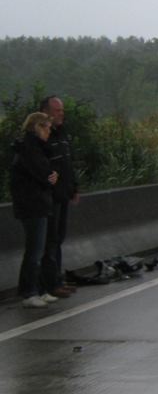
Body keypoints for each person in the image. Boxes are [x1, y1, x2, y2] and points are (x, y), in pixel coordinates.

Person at [10, 112, 59, 308]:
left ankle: (39, 289)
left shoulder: (36, 149)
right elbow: (42, 174)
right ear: (36, 128)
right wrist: (51, 176)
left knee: (40, 249)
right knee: (34, 250)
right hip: (32, 205)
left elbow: (46, 173)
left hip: (39, 203)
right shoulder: (28, 149)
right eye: (45, 128)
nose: (48, 132)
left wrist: (53, 174)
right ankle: (29, 292)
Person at [38, 95, 80, 299]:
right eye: (57, 111)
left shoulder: (61, 135)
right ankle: (50, 283)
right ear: (46, 113)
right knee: (51, 241)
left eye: (62, 110)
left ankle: (58, 279)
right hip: (51, 197)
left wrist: (74, 187)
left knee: (58, 239)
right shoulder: (43, 138)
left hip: (63, 194)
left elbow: (68, 165)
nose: (61, 114)